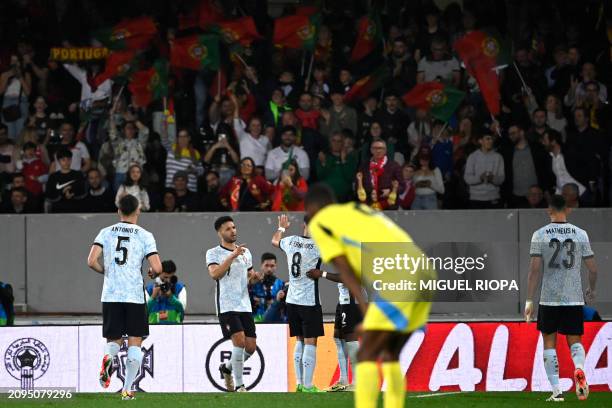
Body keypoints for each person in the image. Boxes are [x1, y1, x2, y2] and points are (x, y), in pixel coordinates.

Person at [305, 184, 431, 408]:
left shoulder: (320, 222)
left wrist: (365, 311)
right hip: (423, 269)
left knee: (366, 355)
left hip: (398, 276)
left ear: (312, 208)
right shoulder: (356, 209)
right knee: (391, 353)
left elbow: (347, 273)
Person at [86, 194, 162, 400]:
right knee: (135, 341)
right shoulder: (145, 235)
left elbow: (91, 260)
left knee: (114, 339)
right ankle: (127, 389)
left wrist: (107, 272)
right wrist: (153, 273)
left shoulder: (105, 232)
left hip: (111, 294)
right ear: (138, 210)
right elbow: (157, 267)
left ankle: (108, 358)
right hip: (134, 295)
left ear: (118, 211)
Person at [525, 194, 597, 402]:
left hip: (549, 298)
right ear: (568, 209)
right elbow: (593, 269)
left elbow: (534, 271)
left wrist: (529, 300)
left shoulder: (539, 234)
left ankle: (556, 391)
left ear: (549, 209)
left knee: (549, 342)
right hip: (574, 298)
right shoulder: (580, 234)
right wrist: (591, 290)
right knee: (575, 340)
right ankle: (579, 368)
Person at [271, 214, 324, 393]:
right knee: (311, 342)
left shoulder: (291, 241)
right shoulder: (320, 246)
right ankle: (308, 386)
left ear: (304, 224)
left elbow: (274, 241)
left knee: (299, 341)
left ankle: (300, 383)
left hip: (292, 300)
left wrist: (282, 228)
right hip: (309, 301)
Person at [206, 216, 257, 392]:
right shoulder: (213, 253)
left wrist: (256, 277)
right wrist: (232, 256)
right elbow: (215, 274)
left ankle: (226, 368)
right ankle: (240, 386)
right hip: (226, 305)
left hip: (245, 305)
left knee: (251, 347)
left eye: (234, 227)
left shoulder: (246, 253)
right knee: (240, 341)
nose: (233, 231)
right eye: (228, 229)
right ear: (219, 232)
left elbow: (250, 276)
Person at [306, 269, 363, 392]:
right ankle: (343, 380)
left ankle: (357, 382)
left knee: (350, 338)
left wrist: (322, 274)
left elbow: (346, 276)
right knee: (338, 337)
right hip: (343, 301)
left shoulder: (354, 256)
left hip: (353, 303)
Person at [356, 140, 403, 210]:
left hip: (388, 207)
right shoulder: (364, 166)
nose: (378, 151)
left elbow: (402, 186)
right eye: (375, 148)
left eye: (381, 148)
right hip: (368, 206)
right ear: (371, 150)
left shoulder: (394, 166)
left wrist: (390, 191)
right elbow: (358, 184)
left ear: (385, 150)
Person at [463, 134, 505, 208]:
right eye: (488, 139)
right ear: (480, 141)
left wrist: (492, 178)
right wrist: (480, 178)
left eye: (492, 139)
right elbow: (467, 178)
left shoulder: (498, 157)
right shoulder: (472, 157)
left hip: (493, 197)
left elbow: (501, 179)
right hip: (476, 198)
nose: (490, 141)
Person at [315, 132, 358, 202]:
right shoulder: (323, 157)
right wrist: (323, 163)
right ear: (330, 142)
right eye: (333, 140)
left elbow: (350, 177)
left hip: (345, 199)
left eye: (339, 141)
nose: (336, 143)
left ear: (343, 143)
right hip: (327, 198)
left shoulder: (350, 158)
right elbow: (320, 176)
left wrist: (344, 161)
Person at [162, 128, 204, 192]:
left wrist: (193, 171)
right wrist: (165, 125)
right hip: (172, 191)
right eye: (180, 137)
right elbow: (164, 140)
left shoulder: (195, 153)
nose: (182, 139)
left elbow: (201, 171)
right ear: (177, 138)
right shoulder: (171, 149)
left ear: (189, 138)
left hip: (190, 191)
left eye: (185, 136)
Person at [0, 54, 32, 139]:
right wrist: (7, 77)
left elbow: (28, 92)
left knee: (20, 130)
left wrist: (20, 76)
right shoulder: (4, 74)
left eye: (16, 60)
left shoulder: (26, 74)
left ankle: (19, 149)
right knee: (9, 130)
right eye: (12, 60)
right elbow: (1, 91)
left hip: (21, 101)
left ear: (20, 62)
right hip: (7, 101)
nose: (14, 62)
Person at [145, 260, 187, 324]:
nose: (167, 280)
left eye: (170, 277)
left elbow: (182, 310)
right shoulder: (149, 289)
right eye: (165, 277)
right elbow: (143, 313)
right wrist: (153, 297)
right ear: (159, 273)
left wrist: (171, 297)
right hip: (153, 330)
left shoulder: (180, 288)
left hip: (174, 329)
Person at [45, 148, 86, 213]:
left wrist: (73, 193)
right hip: (58, 210)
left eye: (68, 159)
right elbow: (48, 195)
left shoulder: (78, 175)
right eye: (63, 160)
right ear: (58, 161)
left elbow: (83, 192)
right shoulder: (53, 177)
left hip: (76, 209)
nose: (66, 162)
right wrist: (61, 192)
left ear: (71, 160)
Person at [249, 253, 284, 322]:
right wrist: (250, 283)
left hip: (275, 321)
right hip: (256, 320)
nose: (269, 269)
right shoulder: (254, 282)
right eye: (266, 265)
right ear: (262, 266)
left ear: (276, 266)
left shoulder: (280, 284)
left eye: (272, 266)